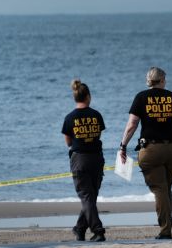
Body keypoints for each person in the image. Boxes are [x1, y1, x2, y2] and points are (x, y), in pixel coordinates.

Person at [119, 67, 172, 239]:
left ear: (148, 80)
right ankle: (168, 223)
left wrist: (123, 146)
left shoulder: (141, 97)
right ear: (162, 80)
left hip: (151, 150)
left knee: (160, 189)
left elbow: (132, 124)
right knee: (165, 188)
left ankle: (165, 230)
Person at [61, 79, 106, 242]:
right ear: (88, 96)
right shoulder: (96, 115)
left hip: (79, 159)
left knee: (87, 197)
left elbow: (68, 142)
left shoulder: (69, 118)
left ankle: (98, 230)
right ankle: (79, 229)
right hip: (96, 158)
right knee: (90, 196)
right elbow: (98, 135)